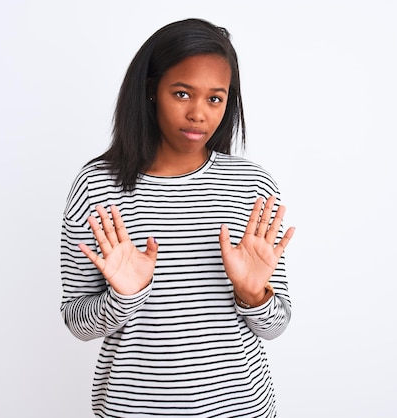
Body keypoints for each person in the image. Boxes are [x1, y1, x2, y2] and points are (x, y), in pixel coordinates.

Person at [60, 18, 295, 418]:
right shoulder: (97, 186)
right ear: (152, 90)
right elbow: (78, 323)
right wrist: (125, 297)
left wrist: (253, 295)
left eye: (215, 99)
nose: (198, 114)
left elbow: (274, 326)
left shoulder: (251, 185)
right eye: (182, 93)